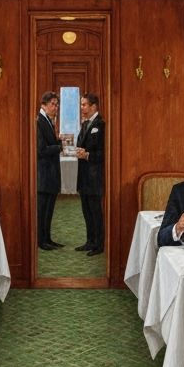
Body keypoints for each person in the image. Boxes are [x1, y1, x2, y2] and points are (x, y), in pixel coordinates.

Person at [75, 93, 106, 256]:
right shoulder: (85, 124)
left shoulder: (101, 125)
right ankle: (89, 241)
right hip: (84, 177)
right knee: (86, 211)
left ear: (94, 106)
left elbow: (104, 154)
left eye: (84, 105)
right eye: (81, 105)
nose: (82, 108)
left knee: (95, 212)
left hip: (95, 178)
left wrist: (87, 155)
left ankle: (99, 245)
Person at [36, 91, 64, 250]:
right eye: (53, 104)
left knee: (49, 210)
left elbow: (48, 144)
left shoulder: (48, 120)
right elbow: (41, 150)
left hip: (50, 175)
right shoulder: (39, 121)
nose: (56, 107)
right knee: (43, 211)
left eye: (57, 104)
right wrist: (60, 146)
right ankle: (41, 241)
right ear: (43, 105)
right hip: (44, 175)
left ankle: (47, 238)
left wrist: (58, 141)